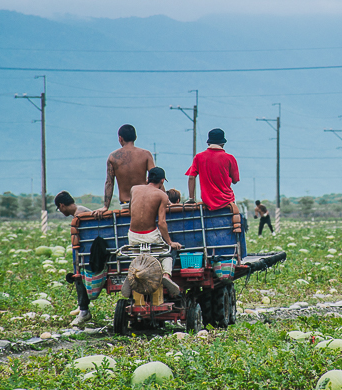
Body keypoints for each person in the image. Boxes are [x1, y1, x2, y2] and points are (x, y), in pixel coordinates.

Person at [124, 167, 183, 298]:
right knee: (167, 253)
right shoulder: (162, 195)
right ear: (162, 181)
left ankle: (132, 275)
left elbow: (130, 211)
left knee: (138, 258)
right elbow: (161, 222)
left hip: (132, 235)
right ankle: (166, 275)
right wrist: (170, 242)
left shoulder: (134, 189)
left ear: (147, 179)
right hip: (150, 235)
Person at [54, 191, 95, 327]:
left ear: (62, 205)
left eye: (59, 208)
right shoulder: (80, 211)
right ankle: (82, 306)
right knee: (76, 264)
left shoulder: (80, 214)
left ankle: (84, 310)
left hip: (91, 252)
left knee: (78, 273)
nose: (60, 211)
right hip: (90, 250)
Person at [96, 124, 155, 213]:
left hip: (125, 204)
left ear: (120, 138)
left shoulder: (113, 157)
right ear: (135, 137)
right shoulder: (146, 154)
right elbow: (155, 177)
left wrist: (105, 206)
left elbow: (109, 183)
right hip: (144, 200)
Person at [185, 128, 240, 210]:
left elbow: (191, 177)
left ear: (208, 143)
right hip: (227, 201)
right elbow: (235, 180)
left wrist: (191, 199)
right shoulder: (230, 158)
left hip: (207, 202)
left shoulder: (199, 157)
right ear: (223, 143)